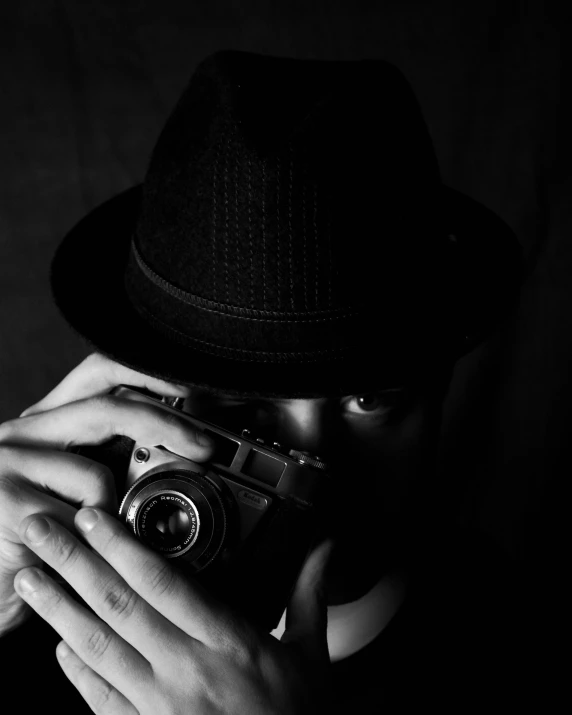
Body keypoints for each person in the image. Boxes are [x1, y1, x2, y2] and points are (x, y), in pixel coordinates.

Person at [0, 50, 538, 712]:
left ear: (442, 389)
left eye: (372, 399)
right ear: (139, 403)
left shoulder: (531, 644)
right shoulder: (34, 597)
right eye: (243, 405)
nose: (315, 467)